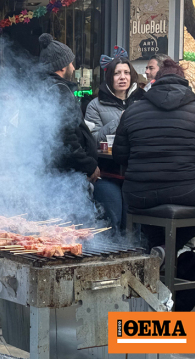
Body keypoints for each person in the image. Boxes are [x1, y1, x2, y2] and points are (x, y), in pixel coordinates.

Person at [113, 59, 195, 311]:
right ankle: (165, 256)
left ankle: (156, 260)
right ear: (185, 82)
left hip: (141, 195)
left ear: (155, 82)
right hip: (187, 195)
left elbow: (119, 156)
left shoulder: (134, 110)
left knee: (155, 235)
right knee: (174, 234)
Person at [83, 47, 144, 233]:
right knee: (113, 219)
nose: (122, 77)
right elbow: (91, 140)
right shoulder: (95, 105)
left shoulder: (143, 102)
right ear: (110, 77)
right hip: (106, 174)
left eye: (126, 72)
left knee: (136, 225)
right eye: (117, 73)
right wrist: (119, 121)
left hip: (137, 174)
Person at [39, 33, 100, 185]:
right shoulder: (59, 90)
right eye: (71, 63)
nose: (73, 68)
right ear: (61, 66)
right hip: (65, 175)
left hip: (49, 173)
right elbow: (66, 138)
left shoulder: (40, 88)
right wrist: (88, 165)